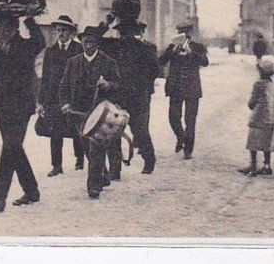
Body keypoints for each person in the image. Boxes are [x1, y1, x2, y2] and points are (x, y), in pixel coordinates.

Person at [0, 11, 45, 211]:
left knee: (10, 147)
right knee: (14, 148)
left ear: (15, 27)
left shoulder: (26, 45)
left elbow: (40, 42)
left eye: (6, 26)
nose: (2, 30)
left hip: (21, 105)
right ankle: (31, 190)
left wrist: (29, 18)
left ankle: (0, 197)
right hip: (2, 106)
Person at [58, 26, 121, 199]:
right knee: (86, 146)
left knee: (96, 148)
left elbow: (118, 85)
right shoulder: (73, 62)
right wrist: (65, 103)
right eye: (85, 42)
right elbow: (63, 86)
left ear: (98, 43)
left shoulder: (108, 62)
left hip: (100, 113)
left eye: (92, 42)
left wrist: (108, 85)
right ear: (81, 42)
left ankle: (93, 186)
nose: (88, 45)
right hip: (78, 112)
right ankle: (103, 175)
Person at [97, 14, 160, 175]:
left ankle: (149, 160)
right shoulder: (112, 46)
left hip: (137, 97)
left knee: (140, 132)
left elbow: (154, 71)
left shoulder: (145, 48)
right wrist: (106, 23)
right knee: (112, 132)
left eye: (128, 31)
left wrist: (140, 85)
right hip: (117, 95)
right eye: (122, 31)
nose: (125, 35)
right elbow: (94, 39)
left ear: (134, 32)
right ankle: (115, 169)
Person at [37, 15, 84, 175]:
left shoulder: (78, 49)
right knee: (55, 131)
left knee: (77, 129)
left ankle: (79, 158)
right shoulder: (50, 51)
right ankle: (57, 166)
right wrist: (41, 101)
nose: (61, 33)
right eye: (58, 30)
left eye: (64, 30)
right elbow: (45, 78)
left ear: (71, 32)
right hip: (54, 97)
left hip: (74, 97)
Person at [159, 22, 209, 160]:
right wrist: (172, 52)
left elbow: (205, 62)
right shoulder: (172, 47)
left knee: (190, 120)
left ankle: (188, 150)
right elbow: (161, 61)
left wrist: (191, 53)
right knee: (173, 118)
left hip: (192, 88)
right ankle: (181, 138)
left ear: (190, 33)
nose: (183, 34)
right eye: (180, 32)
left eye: (186, 32)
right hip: (175, 88)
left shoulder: (197, 47)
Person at [240, 56, 274, 176]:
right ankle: (267, 165)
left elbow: (252, 102)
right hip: (271, 117)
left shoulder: (258, 84)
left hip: (258, 117)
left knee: (253, 142)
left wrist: (251, 105)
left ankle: (253, 165)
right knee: (266, 142)